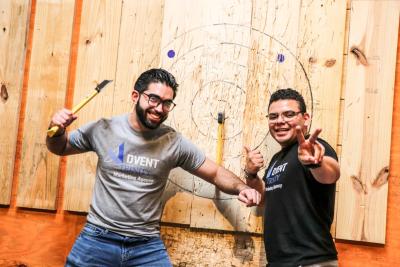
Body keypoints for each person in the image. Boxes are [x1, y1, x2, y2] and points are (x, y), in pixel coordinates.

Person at [46, 68, 261, 267]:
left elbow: (214, 172)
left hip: (146, 244)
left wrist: (243, 188)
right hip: (98, 238)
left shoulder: (172, 142)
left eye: (167, 103)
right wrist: (56, 130)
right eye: (154, 99)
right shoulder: (103, 129)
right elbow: (61, 147)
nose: (159, 108)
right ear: (135, 96)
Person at [244, 88, 340, 267]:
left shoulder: (314, 148)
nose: (279, 121)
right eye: (273, 116)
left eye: (288, 114)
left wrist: (315, 163)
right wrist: (251, 174)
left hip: (311, 261)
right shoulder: (276, 159)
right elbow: (264, 198)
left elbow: (331, 174)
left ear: (305, 118)